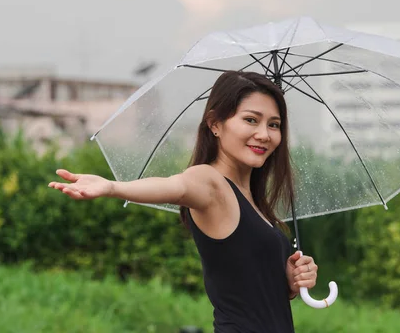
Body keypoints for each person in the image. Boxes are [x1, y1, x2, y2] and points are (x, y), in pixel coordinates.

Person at [49, 71, 319, 332]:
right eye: (251, 120)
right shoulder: (210, 181)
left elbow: (255, 295)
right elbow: (176, 186)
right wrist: (112, 187)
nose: (265, 134)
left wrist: (291, 282)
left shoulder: (254, 202)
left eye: (274, 124)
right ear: (215, 124)